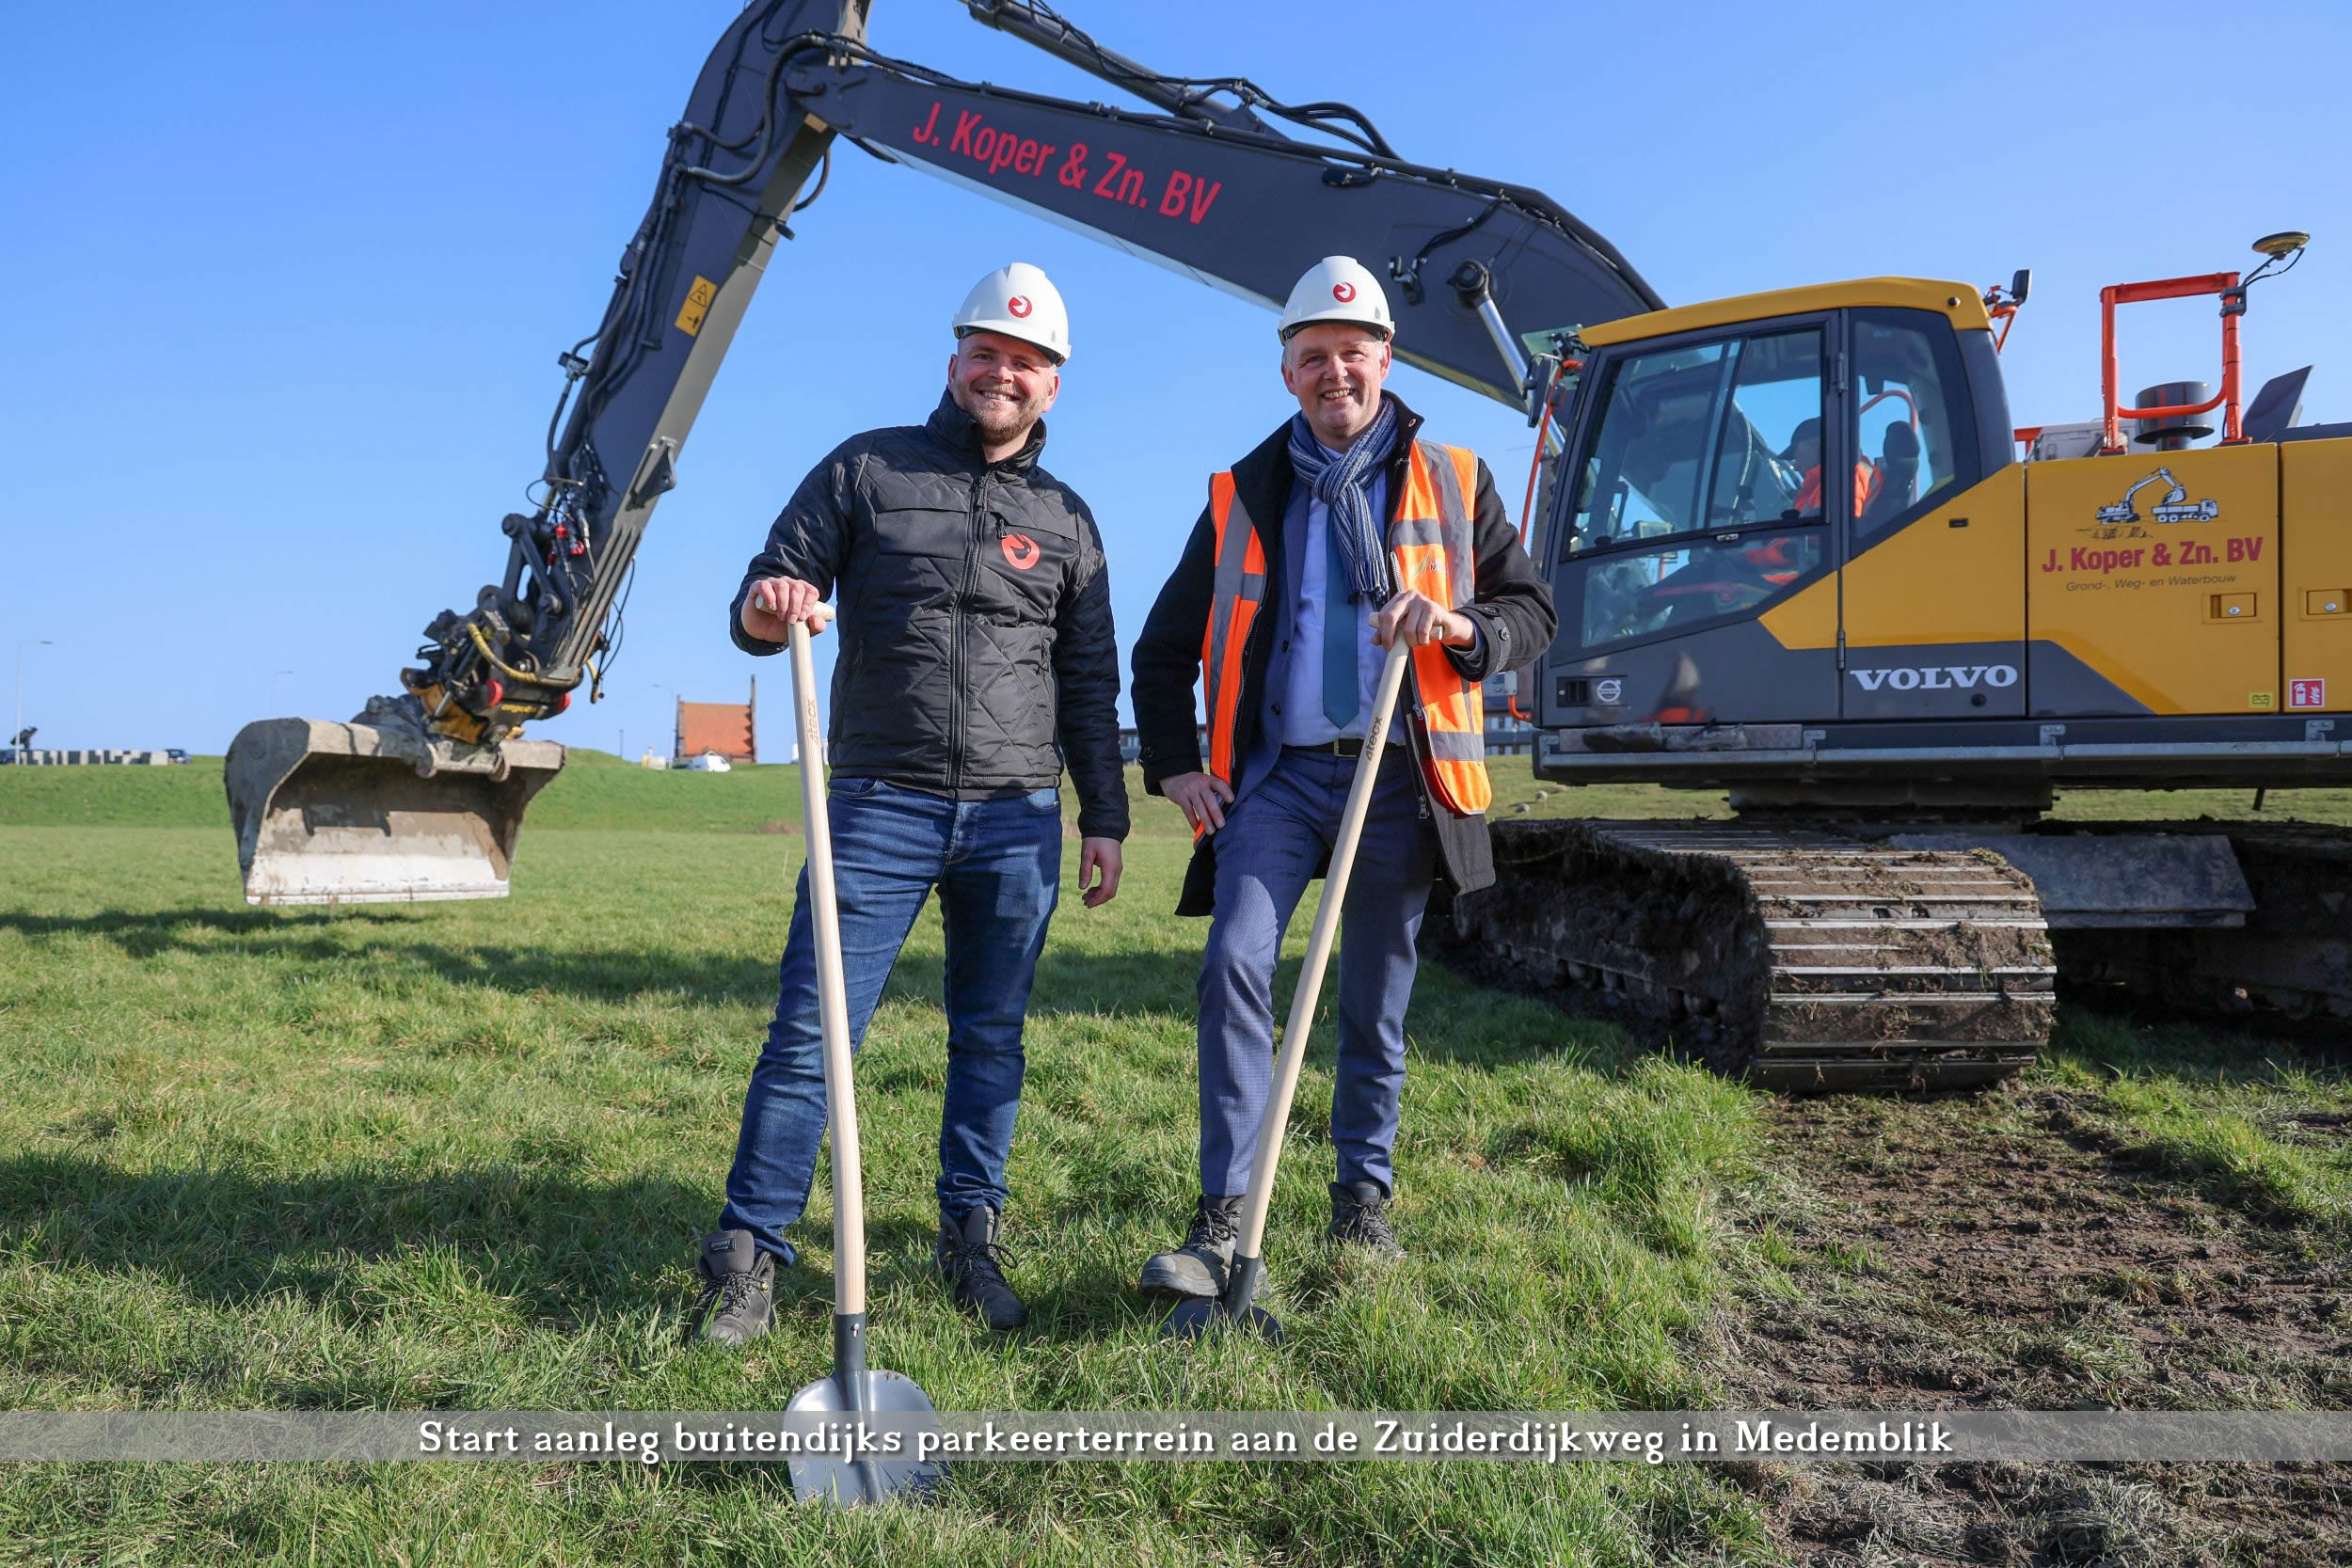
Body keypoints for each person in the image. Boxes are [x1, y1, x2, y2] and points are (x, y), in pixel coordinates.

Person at [692, 261, 1127, 1342]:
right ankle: (749, 1257)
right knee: (813, 1033)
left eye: (1026, 364)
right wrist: (771, 601)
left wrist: (1106, 817)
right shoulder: (866, 469)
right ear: (954, 362)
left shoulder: (1068, 521)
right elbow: (760, 595)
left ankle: (969, 1238)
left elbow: (1089, 680)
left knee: (991, 1038)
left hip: (1019, 813)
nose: (1003, 374)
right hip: (878, 805)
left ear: (1053, 388)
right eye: (987, 353)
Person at [1126, 256, 1556, 1299]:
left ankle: (1361, 1198)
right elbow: (1160, 648)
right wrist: (1178, 767)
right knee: (1234, 961)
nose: (1334, 375)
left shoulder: (1455, 478)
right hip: (1274, 779)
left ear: (1386, 361)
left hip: (1395, 776)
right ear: (1287, 374)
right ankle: (1224, 1212)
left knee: (1374, 999)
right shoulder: (1243, 490)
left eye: (1351, 355)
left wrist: (1454, 624)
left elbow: (1530, 615)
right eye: (1312, 358)